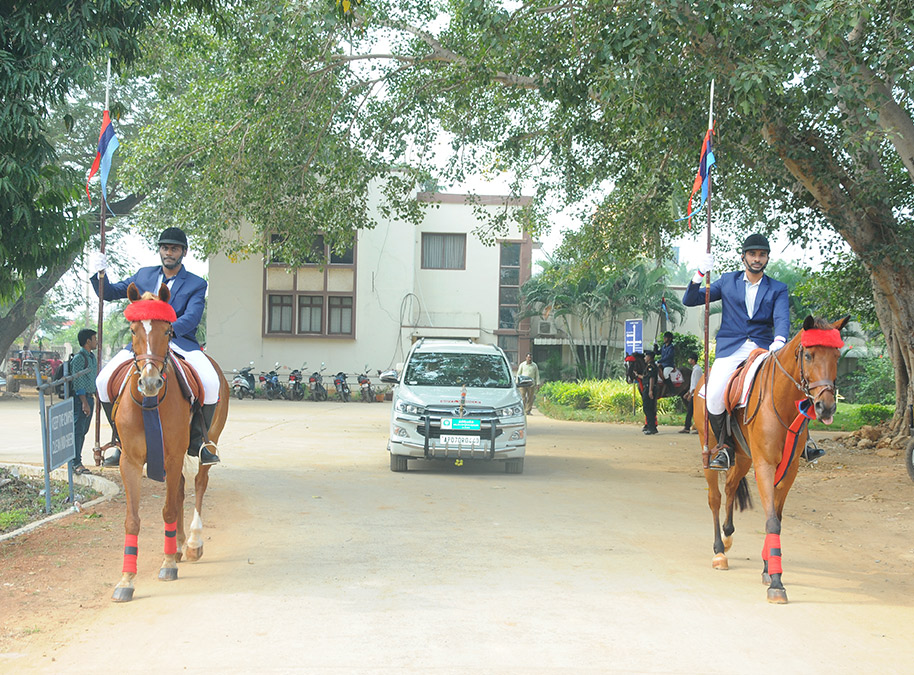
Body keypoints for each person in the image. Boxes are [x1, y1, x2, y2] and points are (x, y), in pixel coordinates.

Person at [89, 227, 220, 467]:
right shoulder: (142, 275)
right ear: (159, 250)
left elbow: (192, 317)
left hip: (179, 342)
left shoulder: (196, 284)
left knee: (211, 384)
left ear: (184, 252)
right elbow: (107, 293)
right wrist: (97, 272)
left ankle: (198, 442)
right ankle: (121, 441)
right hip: (142, 345)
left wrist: (165, 333)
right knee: (102, 382)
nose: (169, 253)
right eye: (165, 248)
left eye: (174, 249)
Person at [683, 233, 790, 470]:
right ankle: (726, 447)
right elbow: (690, 300)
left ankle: (803, 443)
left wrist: (780, 340)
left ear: (767, 258)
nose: (757, 259)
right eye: (752, 254)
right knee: (713, 396)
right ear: (743, 257)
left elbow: (782, 317)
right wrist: (699, 273)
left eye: (761, 255)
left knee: (793, 385)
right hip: (731, 349)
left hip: (764, 348)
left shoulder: (778, 288)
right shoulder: (727, 282)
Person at [70, 329, 98, 475]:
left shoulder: (92, 358)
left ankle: (76, 460)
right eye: (94, 338)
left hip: (89, 397)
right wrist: (84, 402)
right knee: (78, 430)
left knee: (83, 430)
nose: (96, 341)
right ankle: (75, 462)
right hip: (81, 400)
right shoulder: (80, 358)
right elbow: (78, 381)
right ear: (88, 341)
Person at [636, 350, 659, 435]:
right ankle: (650, 426)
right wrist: (637, 375)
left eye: (646, 356)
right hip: (647, 387)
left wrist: (650, 390)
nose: (645, 358)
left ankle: (652, 427)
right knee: (648, 408)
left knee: (648, 408)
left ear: (649, 357)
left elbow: (651, 378)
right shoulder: (648, 366)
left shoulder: (651, 366)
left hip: (649, 388)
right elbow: (646, 377)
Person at [679, 353, 702, 434]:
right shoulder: (695, 369)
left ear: (693, 360)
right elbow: (692, 384)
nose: (689, 360)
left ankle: (688, 427)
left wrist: (691, 393)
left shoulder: (697, 370)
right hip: (693, 393)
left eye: (690, 359)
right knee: (691, 411)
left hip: (695, 393)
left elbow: (696, 384)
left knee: (691, 411)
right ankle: (689, 427)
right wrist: (688, 392)